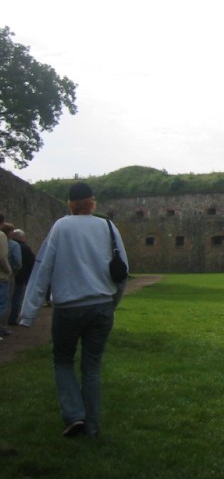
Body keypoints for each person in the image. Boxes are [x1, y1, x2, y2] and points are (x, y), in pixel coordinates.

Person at [19, 182, 128, 438]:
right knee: (92, 367)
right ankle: (92, 427)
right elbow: (122, 269)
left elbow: (43, 268)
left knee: (63, 361)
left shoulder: (62, 226)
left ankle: (74, 415)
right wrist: (113, 302)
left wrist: (28, 312)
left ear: (70, 203)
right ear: (92, 202)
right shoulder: (108, 226)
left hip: (69, 307)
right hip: (101, 305)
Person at [8, 229, 36, 326]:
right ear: (21, 237)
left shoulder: (9, 245)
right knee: (17, 297)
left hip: (9, 275)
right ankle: (13, 318)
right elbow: (32, 261)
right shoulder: (24, 248)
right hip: (20, 276)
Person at [1, 222, 23, 333]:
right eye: (12, 231)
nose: (13, 233)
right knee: (6, 301)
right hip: (7, 275)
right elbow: (18, 262)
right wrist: (11, 271)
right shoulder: (13, 245)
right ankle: (3, 326)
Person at [0, 213, 13, 341]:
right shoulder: (1, 235)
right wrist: (8, 271)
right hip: (1, 277)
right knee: (2, 305)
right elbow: (2, 257)